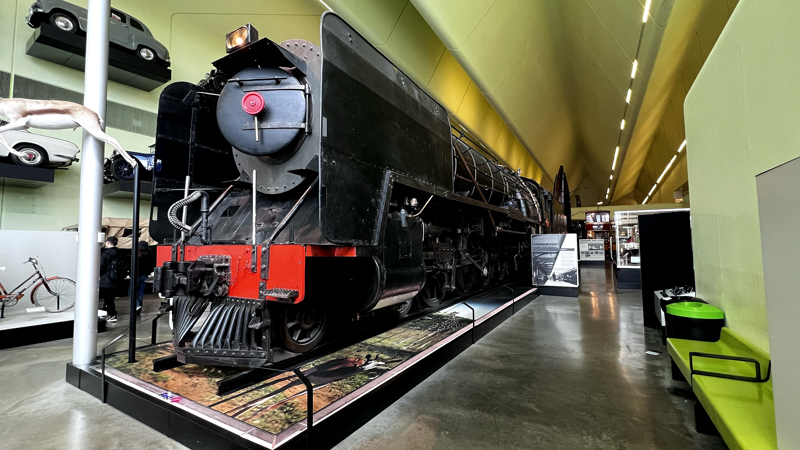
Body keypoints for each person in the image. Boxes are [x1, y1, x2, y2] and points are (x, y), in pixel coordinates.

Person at [129, 241, 156, 314]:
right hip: (145, 276)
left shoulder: (136, 255)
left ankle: (137, 305)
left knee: (131, 292)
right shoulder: (149, 256)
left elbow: (132, 265)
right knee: (141, 292)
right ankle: (138, 309)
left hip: (136, 276)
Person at [99, 236, 119, 323]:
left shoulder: (105, 254)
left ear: (107, 242)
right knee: (110, 298)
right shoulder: (119, 253)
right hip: (116, 279)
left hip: (105, 279)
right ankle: (105, 312)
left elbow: (101, 266)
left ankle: (112, 314)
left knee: (108, 299)